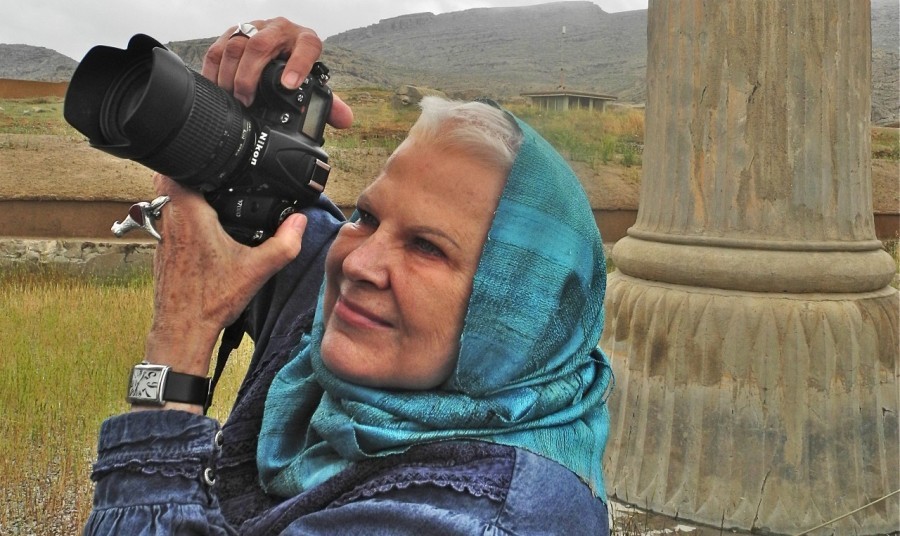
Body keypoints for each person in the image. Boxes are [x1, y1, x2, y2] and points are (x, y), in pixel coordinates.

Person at [83, 17, 613, 535]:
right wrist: (248, 99)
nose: (358, 263)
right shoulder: (345, 322)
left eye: (426, 247)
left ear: (522, 313)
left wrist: (177, 346)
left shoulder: (481, 515)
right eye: (368, 217)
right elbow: (270, 212)